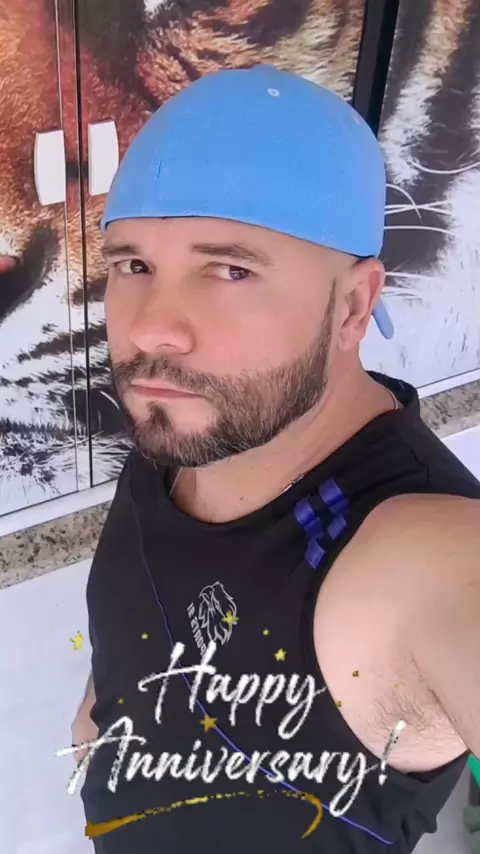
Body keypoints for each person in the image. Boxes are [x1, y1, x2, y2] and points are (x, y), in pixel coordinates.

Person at [67, 66, 480, 853]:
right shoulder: (193, 420)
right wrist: (101, 712)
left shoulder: (423, 560)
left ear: (354, 306)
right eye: (132, 265)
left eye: (230, 269)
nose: (152, 329)